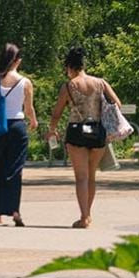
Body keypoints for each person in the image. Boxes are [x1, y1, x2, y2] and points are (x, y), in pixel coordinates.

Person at [47, 47, 125, 228]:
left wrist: (52, 130)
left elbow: (57, 113)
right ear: (83, 65)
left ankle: (84, 217)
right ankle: (88, 214)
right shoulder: (100, 83)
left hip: (77, 131)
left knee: (81, 178)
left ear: (69, 67)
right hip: (98, 132)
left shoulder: (69, 86)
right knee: (91, 177)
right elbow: (117, 104)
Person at [0, 43, 37, 226]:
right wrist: (33, 121)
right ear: (17, 60)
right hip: (17, 127)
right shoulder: (25, 82)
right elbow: (28, 108)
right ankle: (15, 211)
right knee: (15, 170)